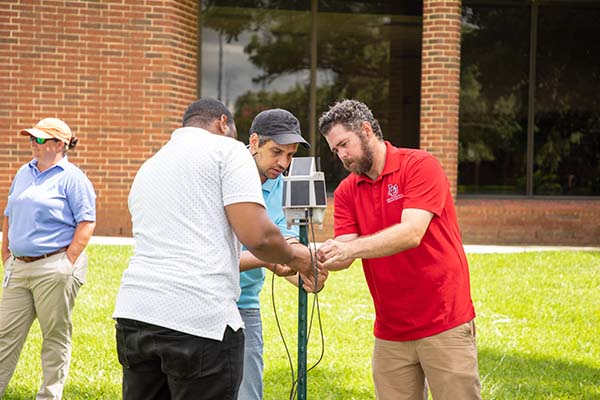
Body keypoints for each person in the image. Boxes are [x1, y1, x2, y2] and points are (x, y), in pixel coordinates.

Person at [112, 98, 313, 400]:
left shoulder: (151, 165)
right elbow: (257, 237)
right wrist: (298, 256)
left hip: (135, 317)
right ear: (223, 123)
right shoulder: (229, 151)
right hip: (198, 321)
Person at [317, 100, 481, 400]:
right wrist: (317, 259)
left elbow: (411, 232)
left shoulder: (419, 166)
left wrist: (349, 249)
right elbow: (345, 252)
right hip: (391, 331)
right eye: (334, 150)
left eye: (344, 144)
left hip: (444, 320)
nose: (341, 155)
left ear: (366, 130)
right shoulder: (346, 192)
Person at [0, 118, 97, 399]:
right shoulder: (23, 172)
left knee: (54, 336)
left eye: (40, 139)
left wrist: (67, 261)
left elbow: (87, 222)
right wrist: (6, 254)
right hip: (18, 267)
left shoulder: (73, 178)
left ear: (59, 144)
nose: (33, 142)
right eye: (32, 138)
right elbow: (9, 214)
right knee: (4, 333)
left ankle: (49, 395)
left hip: (53, 266)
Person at [237, 109, 327, 400]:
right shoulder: (227, 174)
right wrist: (285, 259)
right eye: (276, 152)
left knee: (248, 393)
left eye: (289, 155)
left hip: (246, 303)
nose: (283, 163)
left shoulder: (281, 187)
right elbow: (268, 255)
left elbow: (282, 248)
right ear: (254, 142)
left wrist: (305, 275)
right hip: (207, 300)